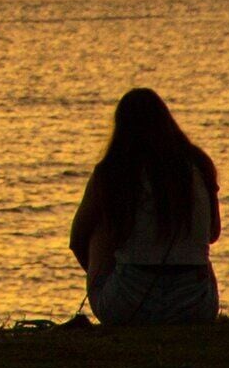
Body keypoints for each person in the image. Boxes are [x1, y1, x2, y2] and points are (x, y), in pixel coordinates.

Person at [65, 88, 220, 325]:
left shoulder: (111, 171)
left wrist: (108, 275)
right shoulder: (199, 164)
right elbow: (212, 234)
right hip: (196, 308)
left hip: (130, 308)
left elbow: (78, 239)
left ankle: (114, 287)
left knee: (98, 231)